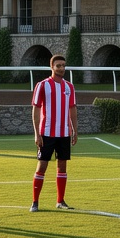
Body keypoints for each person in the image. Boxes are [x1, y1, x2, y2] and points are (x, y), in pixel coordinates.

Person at [31, 54, 78, 212]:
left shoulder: (69, 87)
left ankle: (60, 201)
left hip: (64, 133)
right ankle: (35, 202)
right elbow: (36, 109)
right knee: (42, 166)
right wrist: (37, 134)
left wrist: (75, 130)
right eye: (58, 66)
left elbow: (72, 110)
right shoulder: (42, 85)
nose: (61, 68)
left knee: (62, 167)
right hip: (46, 133)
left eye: (63, 65)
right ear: (52, 67)